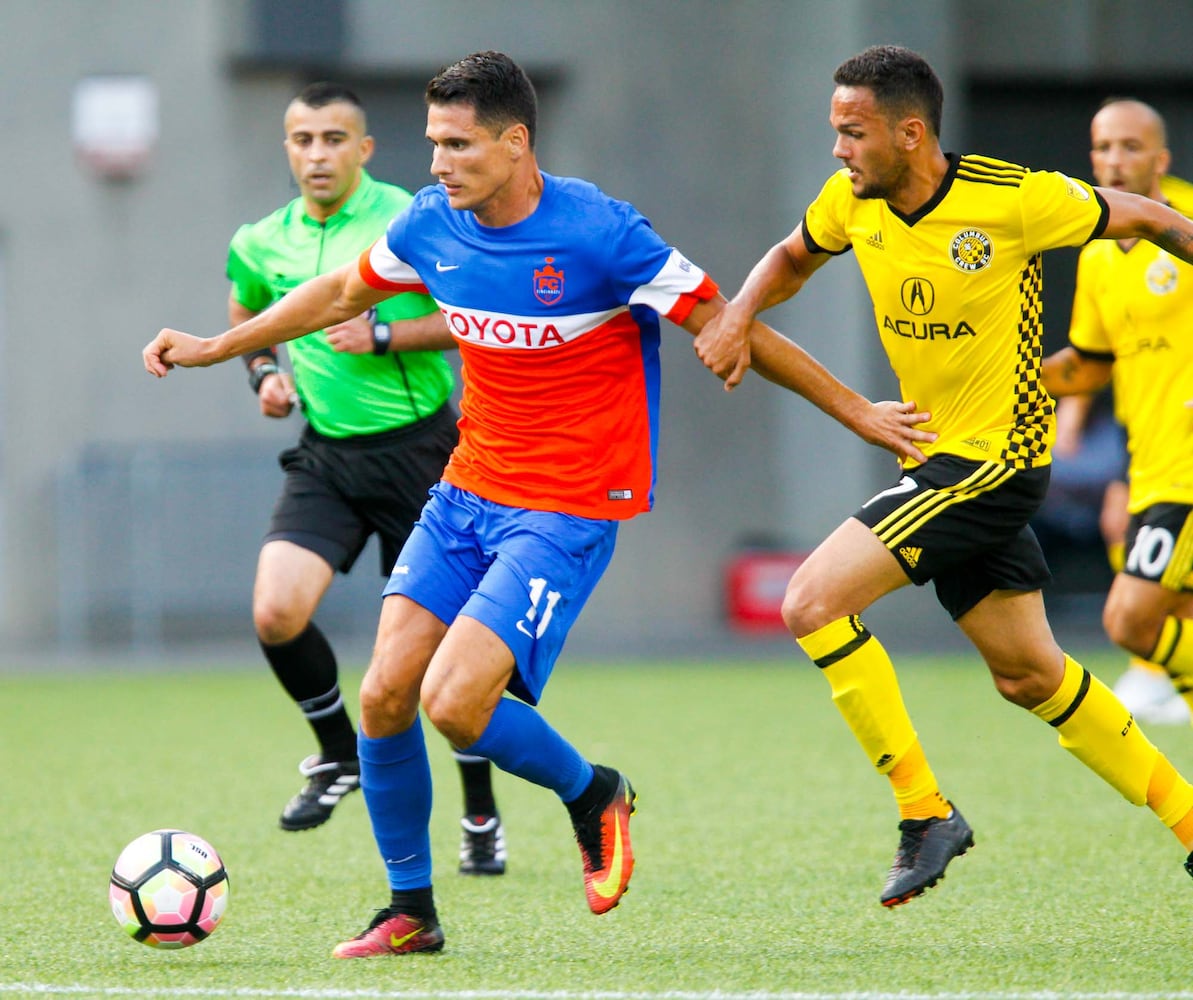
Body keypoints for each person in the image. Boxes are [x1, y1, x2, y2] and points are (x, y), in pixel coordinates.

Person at [144, 51, 934, 956]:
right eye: (433, 144)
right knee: (385, 693)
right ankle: (411, 912)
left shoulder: (600, 234)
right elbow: (339, 292)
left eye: (456, 145)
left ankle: (593, 791)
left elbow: (730, 321)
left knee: (454, 702)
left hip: (567, 506)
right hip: (465, 490)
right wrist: (218, 346)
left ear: (516, 143)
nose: (436, 164)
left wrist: (858, 412)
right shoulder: (432, 221)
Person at [694, 45, 1193, 908]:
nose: (838, 151)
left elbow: (1147, 216)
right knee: (1029, 675)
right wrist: (737, 315)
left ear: (910, 132)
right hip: (934, 458)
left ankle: (925, 813)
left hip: (994, 462)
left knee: (810, 602)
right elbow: (789, 256)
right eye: (833, 132)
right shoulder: (850, 202)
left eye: (852, 133)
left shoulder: (1014, 196)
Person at [226, 81, 507, 873]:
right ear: (287, 148)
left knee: (443, 655)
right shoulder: (259, 240)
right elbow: (248, 311)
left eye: (333, 139)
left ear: (364, 149)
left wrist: (384, 331)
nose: (317, 154)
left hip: (425, 452)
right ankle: (337, 753)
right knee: (276, 611)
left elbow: (471, 320)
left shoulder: (410, 219)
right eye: (302, 139)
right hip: (327, 454)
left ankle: (480, 817)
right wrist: (262, 377)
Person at [1042, 99, 1193, 727]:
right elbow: (1092, 362)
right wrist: (1013, 385)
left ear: (1160, 158)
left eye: (1131, 147)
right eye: (1104, 147)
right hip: (1149, 450)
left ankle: (1152, 679)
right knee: (1177, 611)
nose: (1115, 159)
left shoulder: (1184, 220)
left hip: (1186, 462)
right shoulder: (1098, 250)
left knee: (1129, 619)